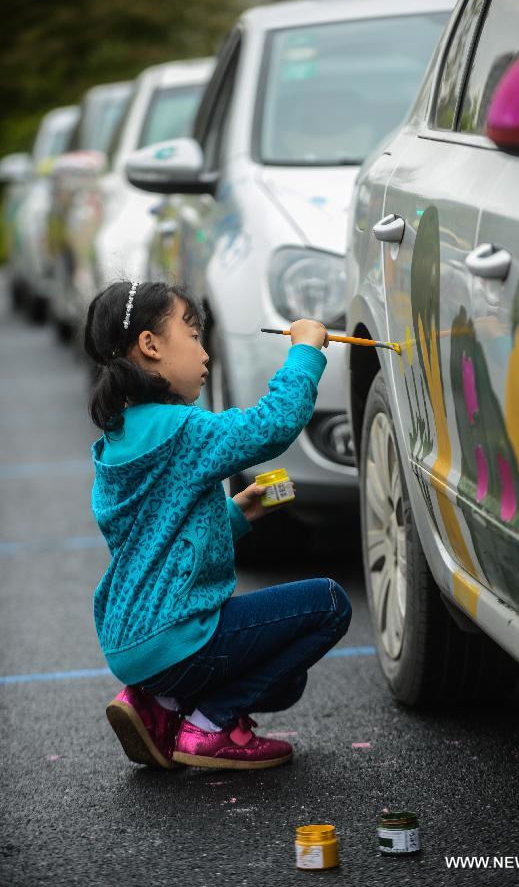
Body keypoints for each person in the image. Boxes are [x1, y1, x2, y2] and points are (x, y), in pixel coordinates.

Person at [84, 280, 352, 771]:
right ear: (150, 345)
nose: (206, 354)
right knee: (329, 604)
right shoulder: (180, 428)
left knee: (288, 680)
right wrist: (306, 351)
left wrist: (237, 512)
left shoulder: (115, 442)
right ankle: (211, 724)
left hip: (130, 645)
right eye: (193, 335)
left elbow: (157, 541)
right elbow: (271, 425)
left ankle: (159, 705)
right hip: (179, 636)